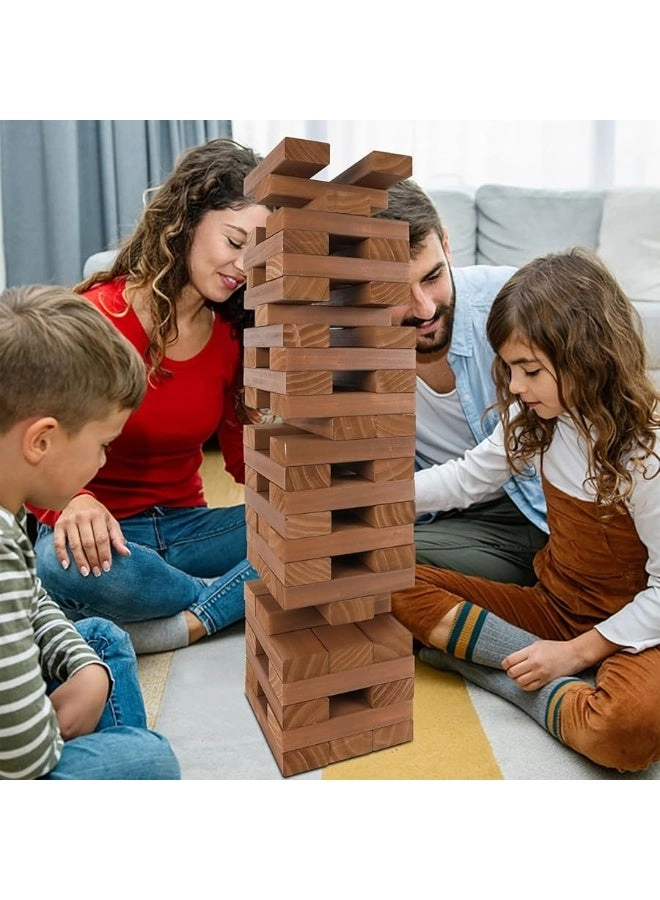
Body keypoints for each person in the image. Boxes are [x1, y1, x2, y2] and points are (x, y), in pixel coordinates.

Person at [391, 248, 660, 772]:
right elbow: (467, 478)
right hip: (555, 607)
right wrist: (376, 497)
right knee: (380, 576)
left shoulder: (646, 451)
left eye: (529, 370)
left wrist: (577, 654)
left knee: (626, 732)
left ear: (586, 357)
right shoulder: (537, 416)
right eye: (509, 369)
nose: (514, 387)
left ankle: (504, 673)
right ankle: (528, 662)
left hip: (635, 629)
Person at [31, 138, 272, 655]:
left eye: (258, 254)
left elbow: (243, 461)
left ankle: (184, 618)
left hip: (189, 531)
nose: (242, 267)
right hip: (102, 538)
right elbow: (28, 439)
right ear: (186, 218)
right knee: (56, 564)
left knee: (309, 527)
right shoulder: (97, 316)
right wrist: (71, 502)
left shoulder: (234, 333)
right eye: (234, 242)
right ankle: (224, 601)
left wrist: (307, 485)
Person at [0, 284, 180, 779]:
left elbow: (33, 598)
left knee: (99, 641)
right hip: (20, 758)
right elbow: (23, 757)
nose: (103, 463)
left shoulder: (9, 505)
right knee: (149, 760)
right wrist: (50, 729)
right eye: (103, 444)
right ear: (41, 440)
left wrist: (86, 671)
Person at [376, 180, 547, 585]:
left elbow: (488, 466)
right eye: (394, 292)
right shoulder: (354, 346)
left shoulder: (511, 305)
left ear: (447, 246)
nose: (425, 307)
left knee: (378, 567)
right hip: (446, 518)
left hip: (537, 513)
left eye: (433, 276)